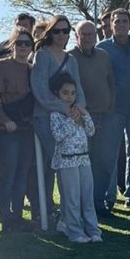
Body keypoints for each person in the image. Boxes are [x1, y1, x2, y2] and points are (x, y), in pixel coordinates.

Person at [29, 15, 86, 224]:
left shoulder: (70, 59)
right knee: (52, 165)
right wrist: (64, 108)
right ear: (50, 32)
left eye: (65, 30)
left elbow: (78, 88)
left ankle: (68, 214)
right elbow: (40, 90)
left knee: (68, 165)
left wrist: (80, 109)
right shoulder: (42, 56)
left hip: (69, 119)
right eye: (57, 30)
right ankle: (45, 211)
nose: (61, 35)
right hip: (45, 117)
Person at [96, 8, 130, 212]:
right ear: (110, 24)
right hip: (112, 109)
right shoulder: (102, 48)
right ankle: (108, 198)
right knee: (109, 154)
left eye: (124, 21)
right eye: (116, 21)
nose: (120, 25)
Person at [0, 27, 36, 233]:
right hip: (7, 128)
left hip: (26, 128)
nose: (23, 47)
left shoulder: (33, 69)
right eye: (19, 43)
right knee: (8, 174)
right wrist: (4, 119)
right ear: (12, 45)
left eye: (27, 44)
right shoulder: (2, 65)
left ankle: (17, 215)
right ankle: (6, 218)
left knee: (22, 174)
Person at [69, 20, 118, 215]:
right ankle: (84, 204)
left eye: (91, 34)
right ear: (77, 36)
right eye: (84, 34)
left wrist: (111, 106)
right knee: (84, 163)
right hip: (81, 119)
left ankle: (98, 202)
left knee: (104, 161)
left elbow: (111, 83)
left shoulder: (104, 56)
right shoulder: (70, 57)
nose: (89, 37)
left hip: (105, 117)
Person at [49, 72, 101, 243]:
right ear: (57, 93)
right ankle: (74, 231)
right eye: (65, 92)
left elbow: (91, 131)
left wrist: (85, 115)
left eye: (72, 93)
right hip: (67, 161)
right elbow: (58, 136)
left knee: (87, 196)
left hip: (84, 159)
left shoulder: (79, 112)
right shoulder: (56, 115)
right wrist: (72, 120)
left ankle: (93, 230)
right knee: (72, 198)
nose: (69, 96)